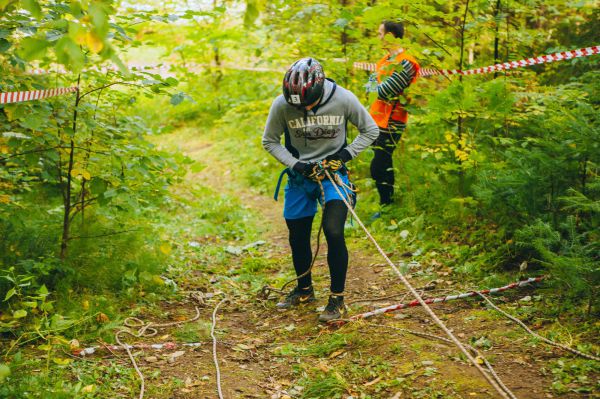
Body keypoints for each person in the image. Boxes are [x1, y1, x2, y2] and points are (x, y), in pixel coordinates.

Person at [262, 57, 379, 322]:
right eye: (300, 106)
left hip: (333, 174)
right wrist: (297, 165)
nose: (306, 109)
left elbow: (370, 130)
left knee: (334, 231)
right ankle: (304, 290)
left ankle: (337, 299)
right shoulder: (282, 105)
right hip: (300, 178)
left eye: (310, 104)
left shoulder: (343, 99)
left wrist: (345, 155)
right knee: (297, 234)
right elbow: (270, 141)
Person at [368, 21, 420, 216]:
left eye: (381, 33)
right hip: (376, 120)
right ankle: (387, 205)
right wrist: (374, 87)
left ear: (390, 35)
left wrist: (375, 87)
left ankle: (387, 205)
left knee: (379, 165)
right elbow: (371, 86)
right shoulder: (384, 61)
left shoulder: (407, 62)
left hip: (393, 120)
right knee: (381, 163)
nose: (379, 37)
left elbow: (384, 92)